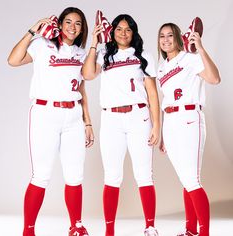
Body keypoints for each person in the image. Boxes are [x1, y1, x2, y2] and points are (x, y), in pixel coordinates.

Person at [7, 7, 93, 236]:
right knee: (41, 175)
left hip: (73, 116)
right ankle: (29, 230)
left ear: (82, 28)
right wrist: (31, 31)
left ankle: (75, 225)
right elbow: (13, 60)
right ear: (61, 24)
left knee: (75, 175)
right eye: (68, 22)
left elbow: (82, 88)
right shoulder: (42, 45)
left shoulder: (81, 53)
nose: (72, 27)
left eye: (77, 23)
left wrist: (88, 122)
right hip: (45, 114)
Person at [82, 14, 160, 236]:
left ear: (133, 32)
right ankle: (109, 231)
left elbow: (153, 94)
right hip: (111, 119)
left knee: (144, 174)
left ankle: (150, 226)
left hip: (139, 117)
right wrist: (95, 43)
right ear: (112, 31)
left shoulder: (143, 55)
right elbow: (87, 75)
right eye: (119, 29)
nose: (123, 33)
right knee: (112, 176)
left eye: (128, 29)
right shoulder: (105, 54)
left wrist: (156, 126)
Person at [156, 22, 221, 236]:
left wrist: (200, 48)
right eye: (162, 36)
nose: (166, 40)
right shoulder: (162, 66)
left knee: (192, 179)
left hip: (190, 117)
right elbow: (165, 99)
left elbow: (214, 79)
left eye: (170, 36)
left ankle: (204, 233)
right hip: (171, 122)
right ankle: (190, 230)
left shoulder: (191, 58)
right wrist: (164, 134)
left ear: (177, 38)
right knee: (185, 179)